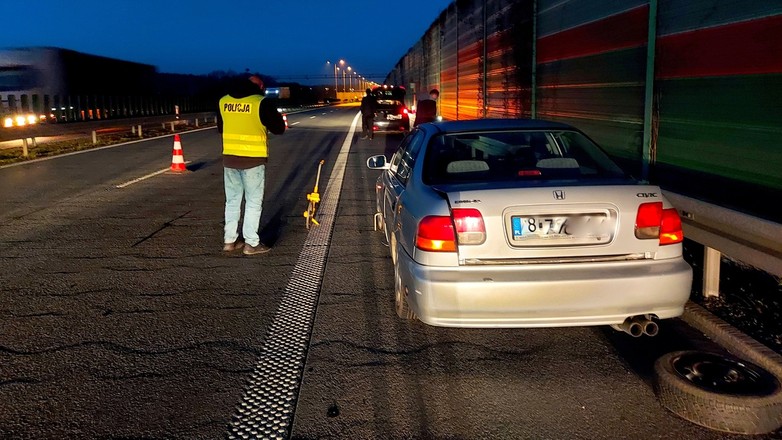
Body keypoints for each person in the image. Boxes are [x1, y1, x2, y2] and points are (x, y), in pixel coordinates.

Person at [217, 75, 286, 255]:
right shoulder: (260, 102)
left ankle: (230, 241)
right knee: (253, 202)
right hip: (253, 160)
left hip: (230, 158)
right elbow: (279, 128)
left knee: (232, 201)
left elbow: (221, 128)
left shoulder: (224, 101)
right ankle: (251, 243)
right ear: (261, 86)